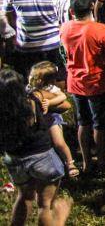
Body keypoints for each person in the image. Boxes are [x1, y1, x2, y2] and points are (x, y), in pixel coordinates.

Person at [0, 67, 71, 226]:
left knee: (24, 197)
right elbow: (65, 104)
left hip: (15, 159)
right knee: (45, 205)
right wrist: (61, 217)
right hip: (42, 157)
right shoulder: (33, 100)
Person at [58, 0, 105, 177]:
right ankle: (102, 161)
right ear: (91, 7)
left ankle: (86, 162)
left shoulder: (65, 28)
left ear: (72, 11)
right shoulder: (100, 30)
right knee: (100, 125)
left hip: (75, 82)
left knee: (83, 122)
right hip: (98, 83)